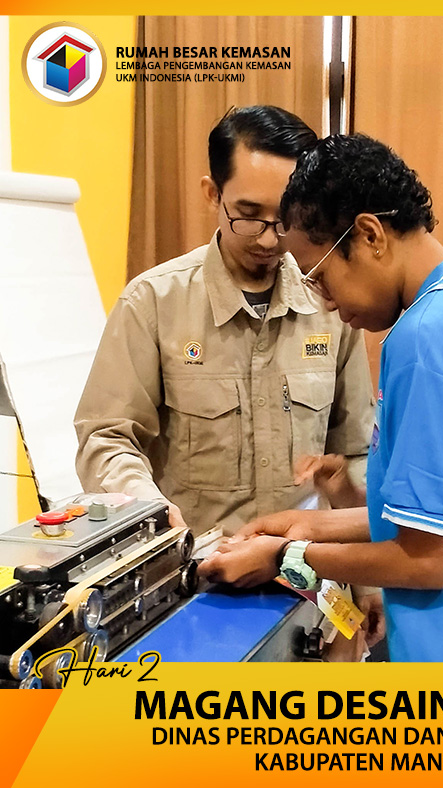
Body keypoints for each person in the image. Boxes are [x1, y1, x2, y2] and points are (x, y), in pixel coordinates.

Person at [199, 133, 443, 663]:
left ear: (369, 235)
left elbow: (425, 561)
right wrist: (305, 525)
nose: (327, 303)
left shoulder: (425, 337)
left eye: (321, 277)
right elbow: (441, 515)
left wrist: (286, 556)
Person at [74, 106, 374, 536]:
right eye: (248, 214)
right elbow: (106, 438)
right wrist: (149, 509)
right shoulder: (154, 302)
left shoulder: (330, 303)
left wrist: (355, 519)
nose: (269, 238)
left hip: (304, 562)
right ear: (213, 194)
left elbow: (357, 449)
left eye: (285, 219)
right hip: (195, 563)